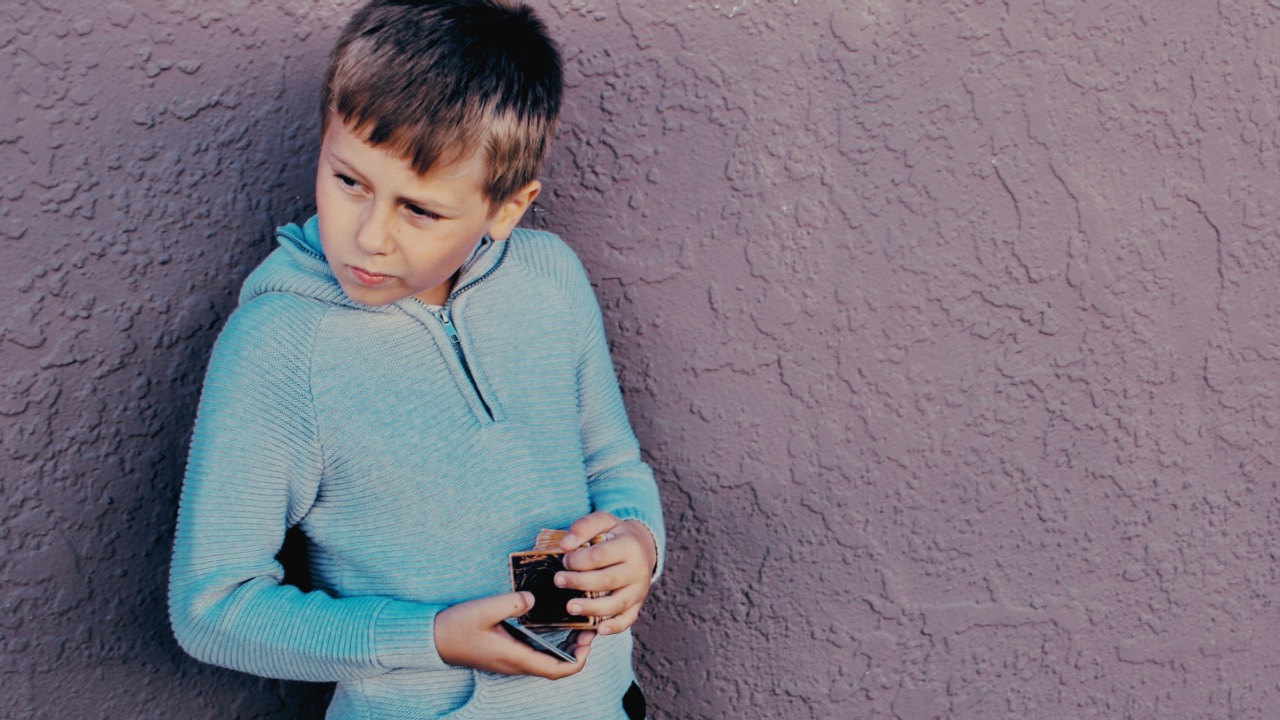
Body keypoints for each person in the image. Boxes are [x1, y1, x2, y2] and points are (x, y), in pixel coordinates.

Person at [167, 1, 664, 717]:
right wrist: (429, 637)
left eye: (420, 211)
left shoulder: (551, 279)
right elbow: (213, 607)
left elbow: (615, 469)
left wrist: (640, 544)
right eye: (349, 182)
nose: (370, 237)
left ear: (507, 209)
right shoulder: (277, 347)